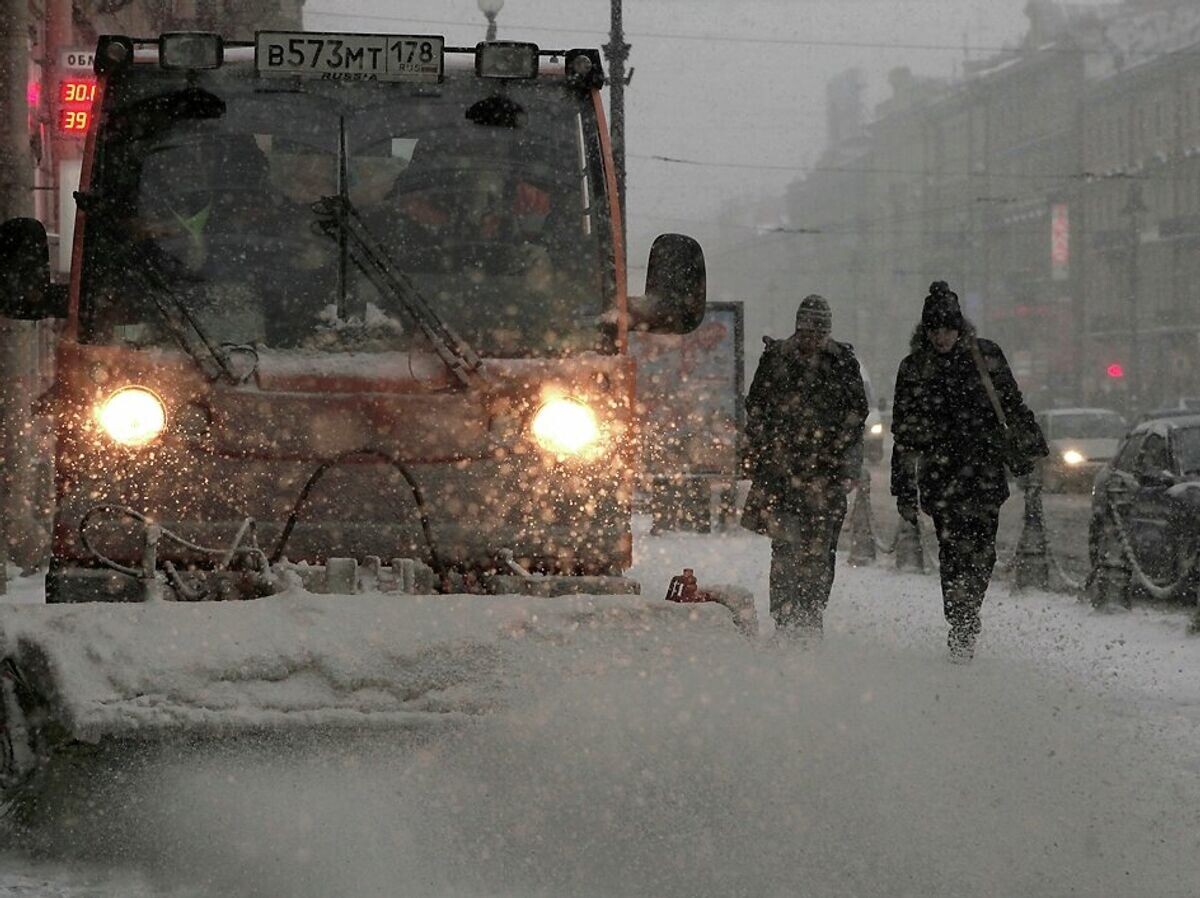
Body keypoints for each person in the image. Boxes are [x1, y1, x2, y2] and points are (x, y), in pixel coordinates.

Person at [890, 281, 1047, 662]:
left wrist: (1033, 449)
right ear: (925, 331)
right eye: (934, 329)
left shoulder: (985, 356)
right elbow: (903, 436)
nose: (941, 337)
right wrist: (904, 491)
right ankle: (961, 621)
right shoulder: (914, 368)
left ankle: (968, 607)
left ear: (959, 328)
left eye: (947, 328)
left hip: (984, 473)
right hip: (941, 477)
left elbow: (1012, 404)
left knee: (982, 553)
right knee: (952, 553)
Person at [741, 295, 868, 637]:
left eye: (818, 333)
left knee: (820, 553)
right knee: (785, 549)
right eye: (806, 332)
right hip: (783, 474)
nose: (811, 339)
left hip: (825, 475)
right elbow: (756, 409)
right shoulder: (776, 359)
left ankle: (811, 615)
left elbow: (856, 416)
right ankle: (785, 618)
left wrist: (842, 461)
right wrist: (761, 451)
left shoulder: (842, 363)